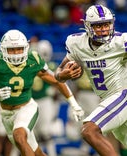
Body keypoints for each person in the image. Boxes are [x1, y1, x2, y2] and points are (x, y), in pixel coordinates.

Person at [0, 29, 84, 156]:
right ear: (3, 49)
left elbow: (56, 81)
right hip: (6, 114)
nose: (16, 53)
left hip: (26, 107)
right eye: (11, 49)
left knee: (19, 136)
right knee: (36, 152)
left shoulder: (32, 60)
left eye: (19, 49)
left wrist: (74, 104)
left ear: (26, 47)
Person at [54, 4, 127, 156]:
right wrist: (63, 75)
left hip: (122, 95)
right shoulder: (77, 44)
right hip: (106, 98)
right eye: (98, 25)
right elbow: (58, 72)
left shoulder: (121, 42)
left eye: (106, 24)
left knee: (89, 131)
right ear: (87, 26)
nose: (104, 29)